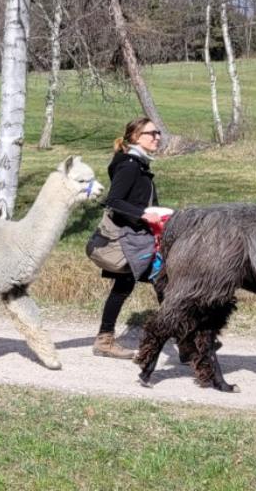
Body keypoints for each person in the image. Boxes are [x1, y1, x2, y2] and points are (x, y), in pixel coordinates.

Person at [93, 116, 165, 359]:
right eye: (151, 133)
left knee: (125, 285)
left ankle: (104, 340)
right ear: (136, 137)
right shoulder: (130, 165)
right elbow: (113, 201)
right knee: (163, 281)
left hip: (134, 236)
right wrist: (145, 215)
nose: (157, 137)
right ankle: (188, 342)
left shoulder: (138, 164)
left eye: (158, 133)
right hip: (127, 239)